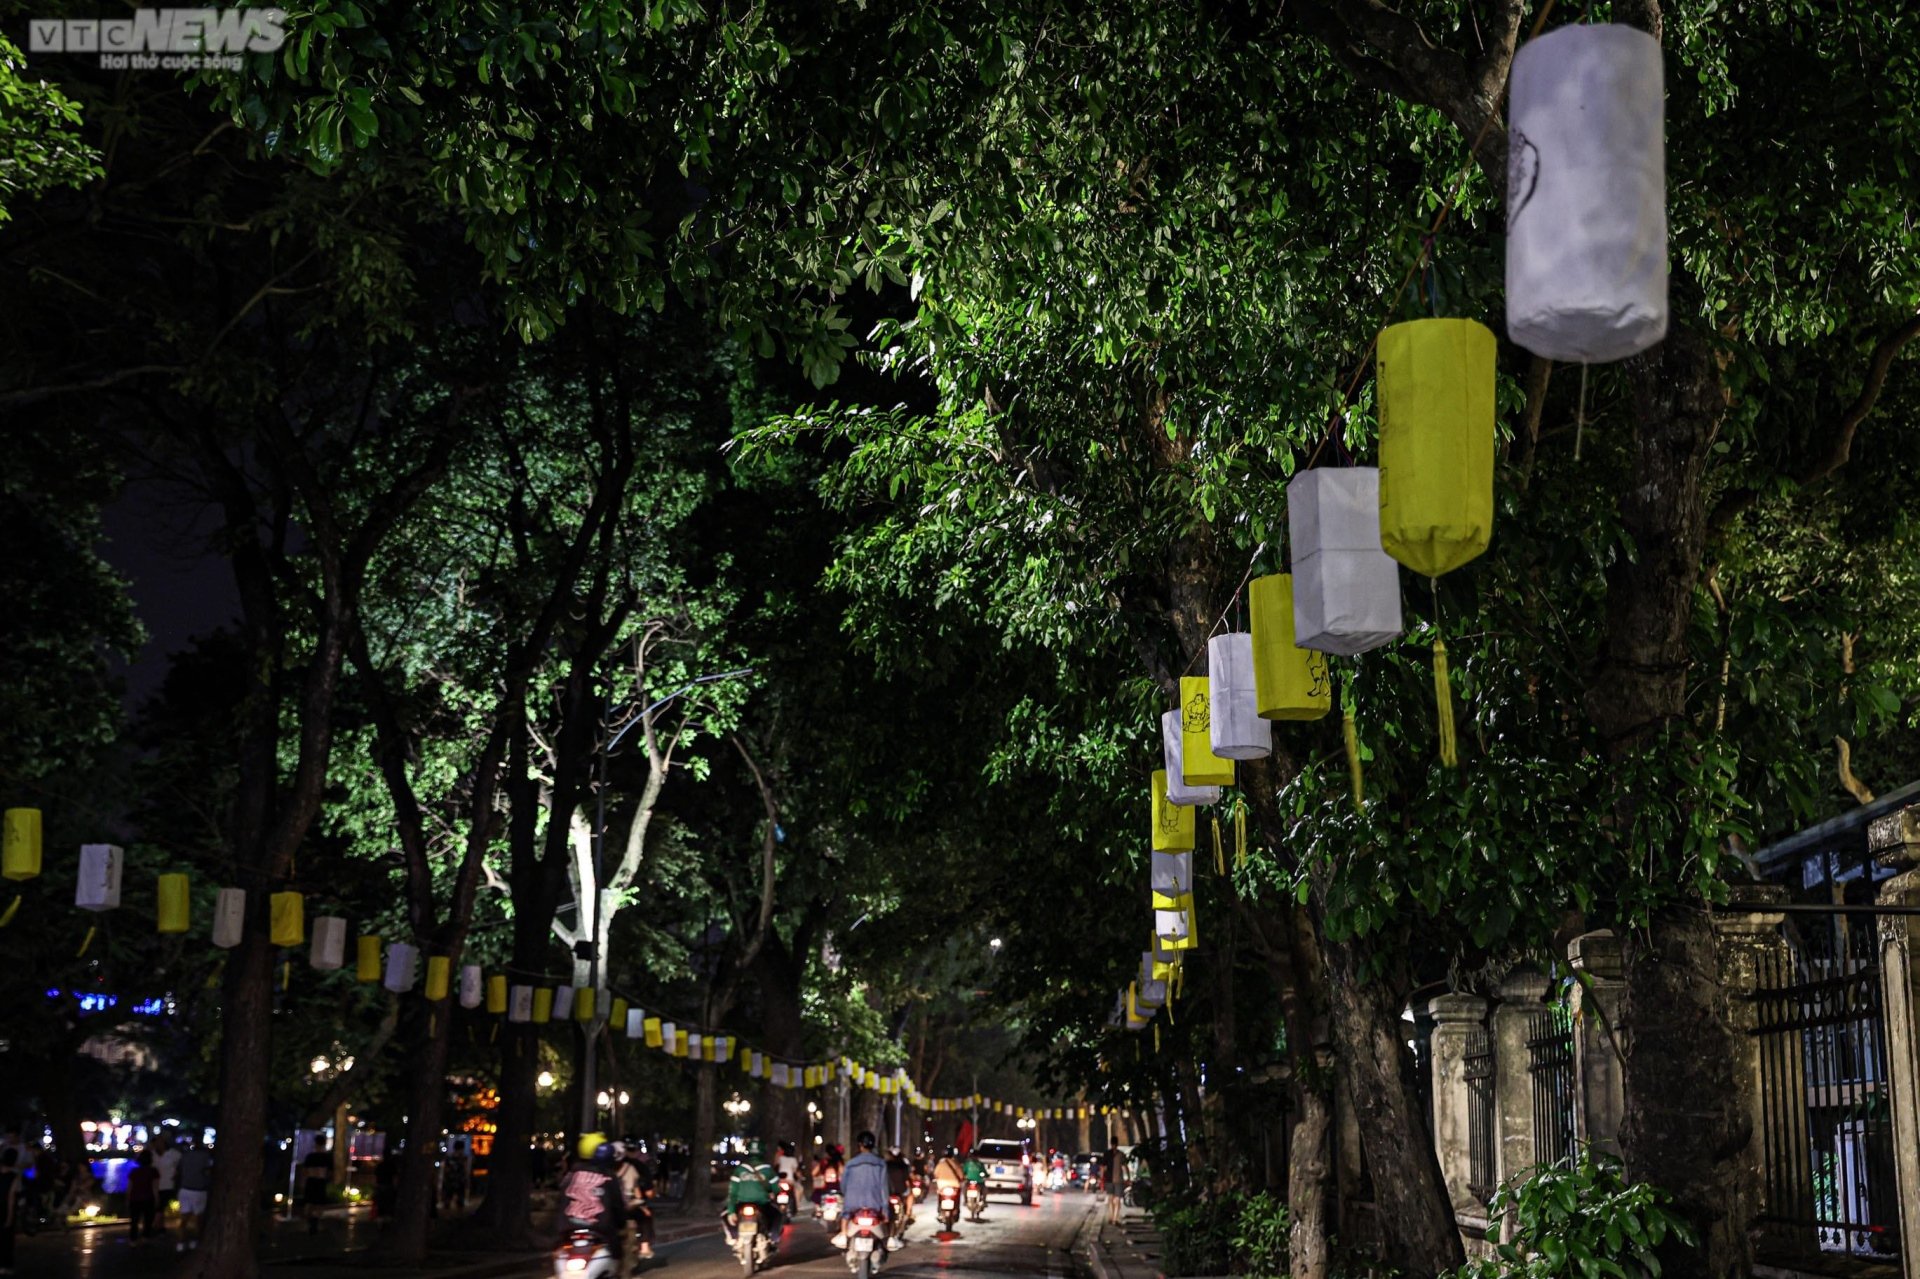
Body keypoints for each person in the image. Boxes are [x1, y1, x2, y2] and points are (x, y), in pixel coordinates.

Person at [561, 1134, 629, 1258]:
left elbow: (560, 1203)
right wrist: (621, 1223)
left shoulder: (570, 1176)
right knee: (618, 1255)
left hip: (568, 1229)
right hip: (600, 1230)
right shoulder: (609, 1177)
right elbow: (618, 1205)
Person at [833, 1131, 891, 1249]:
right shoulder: (880, 1164)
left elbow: (843, 1185)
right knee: (886, 1228)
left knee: (845, 1214)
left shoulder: (850, 1163)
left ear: (859, 1145)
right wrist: (885, 1210)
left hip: (852, 1203)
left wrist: (847, 1195)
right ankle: (890, 1240)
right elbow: (883, 1187)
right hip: (875, 1203)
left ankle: (844, 1234)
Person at [722, 1139, 779, 1244]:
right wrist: (772, 1194)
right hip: (762, 1204)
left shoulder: (739, 1170)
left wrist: (731, 1211)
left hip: (741, 1203)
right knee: (777, 1213)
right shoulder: (768, 1169)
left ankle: (733, 1237)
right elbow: (776, 1189)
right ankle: (773, 1237)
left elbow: (733, 1192)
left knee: (724, 1214)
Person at [176, 1137, 212, 1251]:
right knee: (198, 1219)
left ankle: (181, 1242)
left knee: (184, 1218)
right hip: (199, 1190)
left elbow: (179, 1171)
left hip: (185, 1189)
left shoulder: (185, 1156)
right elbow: (208, 1171)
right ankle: (195, 1241)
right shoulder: (206, 1157)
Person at [125, 1149, 159, 1243]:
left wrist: (127, 1199)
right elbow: (154, 1187)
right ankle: (145, 1237)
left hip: (135, 1198)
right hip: (148, 1198)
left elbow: (129, 1187)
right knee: (148, 1220)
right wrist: (157, 1199)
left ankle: (133, 1240)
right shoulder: (153, 1171)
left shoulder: (134, 1172)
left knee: (134, 1221)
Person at [301, 1136, 332, 1232]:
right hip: (320, 1181)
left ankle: (311, 1221)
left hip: (311, 1181)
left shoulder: (310, 1156)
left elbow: (305, 1171)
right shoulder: (327, 1157)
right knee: (318, 1203)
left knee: (310, 1202)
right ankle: (315, 1220)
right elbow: (329, 1172)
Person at [154, 1138, 182, 1229]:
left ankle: (158, 1227)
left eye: (160, 1142)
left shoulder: (174, 1154)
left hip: (168, 1185)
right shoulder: (153, 1154)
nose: (158, 1145)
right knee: (159, 1208)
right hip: (154, 1185)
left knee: (160, 1207)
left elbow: (182, 1164)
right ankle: (160, 1227)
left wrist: (177, 1173)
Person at [0, 1148, 20, 1275]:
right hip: (5, 1207)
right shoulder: (14, 1176)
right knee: (7, 1238)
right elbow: (11, 1197)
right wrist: (10, 1215)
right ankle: (6, 1265)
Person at [884, 1147, 912, 1225]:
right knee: (910, 1195)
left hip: (888, 1191)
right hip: (901, 1190)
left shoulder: (885, 1165)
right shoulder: (904, 1165)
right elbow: (907, 1180)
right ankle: (908, 1213)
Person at [1102, 1144, 1125, 1225]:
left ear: (1111, 1144)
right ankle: (1114, 1218)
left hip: (1109, 1180)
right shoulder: (1121, 1154)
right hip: (1118, 1180)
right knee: (1117, 1199)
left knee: (1111, 1199)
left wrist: (1102, 1178)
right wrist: (1128, 1177)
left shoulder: (1107, 1154)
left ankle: (1112, 1217)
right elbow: (1124, 1167)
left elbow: (1103, 1168)